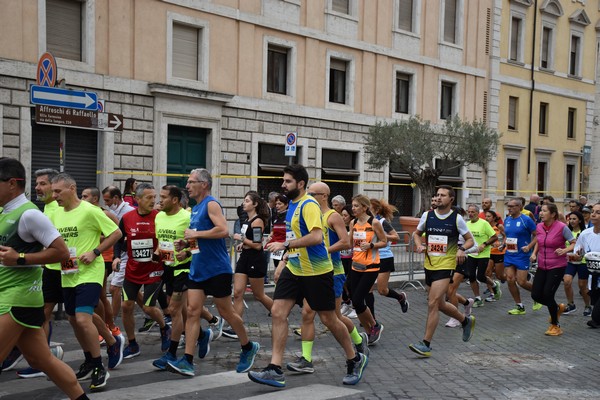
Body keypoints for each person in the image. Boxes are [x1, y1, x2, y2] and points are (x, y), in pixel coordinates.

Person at [249, 164, 367, 388]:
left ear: (300, 184)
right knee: (277, 312)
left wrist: (285, 244)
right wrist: (284, 260)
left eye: (288, 181)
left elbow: (315, 238)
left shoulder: (308, 204)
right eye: (283, 181)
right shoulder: (292, 205)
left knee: (329, 319)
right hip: (295, 269)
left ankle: (355, 358)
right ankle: (275, 369)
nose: (283, 185)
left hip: (317, 271)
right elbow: (295, 236)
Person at [0, 158, 89, 400]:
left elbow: (60, 252)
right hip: (13, 298)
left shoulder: (29, 215)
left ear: (11, 184)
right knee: (43, 360)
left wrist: (19, 258)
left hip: (17, 299)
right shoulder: (3, 212)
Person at [167, 168, 259, 377]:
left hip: (217, 269)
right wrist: (186, 247)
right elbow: (199, 240)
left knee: (226, 312)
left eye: (191, 182)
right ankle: (188, 361)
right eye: (188, 182)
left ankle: (248, 346)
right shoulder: (195, 208)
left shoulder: (211, 204)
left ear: (204, 184)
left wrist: (195, 233)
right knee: (192, 311)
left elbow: (222, 230)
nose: (187, 186)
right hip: (197, 268)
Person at [51, 172, 123, 390]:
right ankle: (91, 359)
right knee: (74, 320)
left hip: (90, 273)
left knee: (83, 319)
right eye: (53, 191)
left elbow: (116, 233)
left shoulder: (89, 210)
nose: (54, 196)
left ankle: (99, 366)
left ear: (71, 188)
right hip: (68, 273)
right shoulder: (55, 214)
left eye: (58, 191)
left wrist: (95, 252)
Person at [286, 182, 367, 374]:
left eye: (313, 193)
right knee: (307, 313)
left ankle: (358, 340)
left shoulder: (333, 216)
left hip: (333, 271)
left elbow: (345, 241)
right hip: (310, 271)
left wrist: (323, 250)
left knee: (333, 318)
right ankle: (306, 359)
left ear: (324, 196)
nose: (309, 196)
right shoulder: (307, 213)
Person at [7, 168, 63, 378]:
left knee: (83, 317)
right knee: (45, 314)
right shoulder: (42, 209)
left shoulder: (56, 209)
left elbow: (59, 248)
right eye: (37, 184)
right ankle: (38, 354)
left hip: (70, 270)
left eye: (43, 184)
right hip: (47, 271)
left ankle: (112, 338)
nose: (38, 188)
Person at [409, 185, 476, 357]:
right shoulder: (427, 215)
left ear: (451, 199)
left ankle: (426, 344)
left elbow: (470, 240)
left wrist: (462, 249)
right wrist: (418, 244)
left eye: (443, 195)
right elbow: (416, 234)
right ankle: (465, 320)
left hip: (446, 265)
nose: (438, 198)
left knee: (432, 304)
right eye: (437, 194)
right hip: (429, 264)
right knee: (439, 304)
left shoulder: (456, 218)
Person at [112, 183, 171, 359]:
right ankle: (132, 344)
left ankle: (164, 327)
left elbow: (167, 237)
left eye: (155, 197)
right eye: (149, 197)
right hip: (133, 268)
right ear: (137, 199)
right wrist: (116, 256)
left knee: (148, 307)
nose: (153, 201)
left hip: (155, 269)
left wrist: (159, 249)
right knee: (126, 306)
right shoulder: (127, 218)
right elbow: (118, 238)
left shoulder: (160, 217)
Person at [151, 185, 194, 370]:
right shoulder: (159, 216)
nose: (160, 201)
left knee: (174, 309)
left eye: (163, 197)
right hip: (168, 267)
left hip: (183, 268)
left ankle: (171, 353)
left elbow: (197, 242)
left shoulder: (187, 217)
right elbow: (162, 241)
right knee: (181, 310)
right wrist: (157, 252)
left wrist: (187, 253)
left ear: (175, 200)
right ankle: (201, 335)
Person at [81, 187, 122, 341]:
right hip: (89, 259)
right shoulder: (84, 213)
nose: (82, 199)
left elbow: (118, 233)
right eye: (82, 196)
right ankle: (110, 328)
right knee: (100, 296)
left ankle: (108, 328)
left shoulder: (105, 214)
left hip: (103, 258)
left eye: (85, 196)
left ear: (94, 199)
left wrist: (100, 240)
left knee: (100, 296)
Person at [530, 203, 575, 336]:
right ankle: (556, 308)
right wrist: (534, 253)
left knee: (548, 294)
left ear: (553, 214)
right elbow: (539, 240)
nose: (541, 213)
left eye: (544, 211)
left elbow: (574, 242)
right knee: (536, 295)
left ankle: (555, 325)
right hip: (542, 265)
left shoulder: (562, 227)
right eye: (541, 211)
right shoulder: (539, 226)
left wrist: (565, 250)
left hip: (557, 266)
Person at [348, 195, 388, 344]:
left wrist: (371, 246)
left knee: (358, 299)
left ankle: (375, 325)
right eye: (352, 205)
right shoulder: (353, 223)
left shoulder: (374, 222)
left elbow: (384, 242)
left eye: (356, 206)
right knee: (355, 301)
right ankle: (369, 331)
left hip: (371, 267)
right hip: (355, 265)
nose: (353, 208)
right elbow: (350, 243)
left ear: (365, 208)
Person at [232, 191, 273, 319]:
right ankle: (235, 326)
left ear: (255, 204)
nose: (244, 203)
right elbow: (249, 241)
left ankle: (279, 312)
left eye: (247, 201)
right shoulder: (246, 220)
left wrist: (242, 239)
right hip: (244, 257)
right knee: (238, 293)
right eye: (244, 200)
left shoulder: (258, 221)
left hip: (255, 259)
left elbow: (257, 245)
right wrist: (242, 245)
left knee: (258, 294)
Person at [369, 198, 409, 317]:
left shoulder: (382, 222)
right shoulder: (366, 222)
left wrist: (381, 235)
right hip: (370, 258)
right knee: (368, 290)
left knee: (382, 290)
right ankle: (371, 319)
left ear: (375, 209)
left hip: (384, 257)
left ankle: (400, 297)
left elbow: (396, 237)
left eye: (368, 207)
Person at [101, 186, 135, 323]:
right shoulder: (112, 212)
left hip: (129, 255)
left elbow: (119, 235)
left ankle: (111, 324)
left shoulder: (129, 212)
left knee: (114, 288)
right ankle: (151, 314)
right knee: (132, 289)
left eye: (108, 200)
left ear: (116, 198)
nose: (106, 204)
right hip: (119, 255)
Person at [503, 198, 539, 315]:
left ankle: (537, 295)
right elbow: (507, 235)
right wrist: (503, 244)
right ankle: (519, 306)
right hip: (509, 254)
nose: (509, 208)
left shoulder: (526, 220)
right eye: (508, 206)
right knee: (510, 279)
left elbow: (537, 235)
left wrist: (529, 246)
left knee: (522, 282)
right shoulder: (507, 219)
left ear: (519, 207)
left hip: (522, 255)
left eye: (512, 206)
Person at [464, 204, 499, 307]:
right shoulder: (467, 224)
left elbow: (494, 237)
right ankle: (478, 298)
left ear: (477, 213)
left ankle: (494, 284)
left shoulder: (484, 223)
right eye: (469, 212)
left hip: (483, 254)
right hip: (471, 253)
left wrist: (484, 244)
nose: (470, 214)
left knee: (481, 276)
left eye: (472, 212)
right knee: (471, 276)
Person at [572, 203, 600, 328]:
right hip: (593, 275)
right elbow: (578, 250)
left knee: (596, 316)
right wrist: (578, 255)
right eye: (593, 211)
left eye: (598, 212)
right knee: (595, 299)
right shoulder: (585, 234)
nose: (593, 214)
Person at [562, 211, 591, 316]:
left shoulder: (585, 232)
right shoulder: (567, 231)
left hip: (582, 262)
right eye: (570, 219)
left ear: (579, 220)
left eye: (574, 219)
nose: (572, 221)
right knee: (567, 281)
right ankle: (571, 304)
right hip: (571, 261)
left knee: (582, 286)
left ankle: (588, 306)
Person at [485, 210, 506, 295]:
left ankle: (512, 279)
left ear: (494, 218)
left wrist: (503, 245)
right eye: (486, 216)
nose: (487, 218)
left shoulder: (499, 226)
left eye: (489, 216)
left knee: (499, 276)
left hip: (499, 252)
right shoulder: (485, 226)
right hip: (489, 252)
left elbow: (506, 236)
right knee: (487, 273)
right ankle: (492, 292)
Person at [340, 205, 355, 317]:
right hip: (341, 258)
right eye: (342, 215)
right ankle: (346, 302)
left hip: (351, 258)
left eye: (345, 215)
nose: (343, 217)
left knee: (350, 283)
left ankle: (355, 306)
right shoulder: (340, 227)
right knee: (341, 282)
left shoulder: (353, 227)